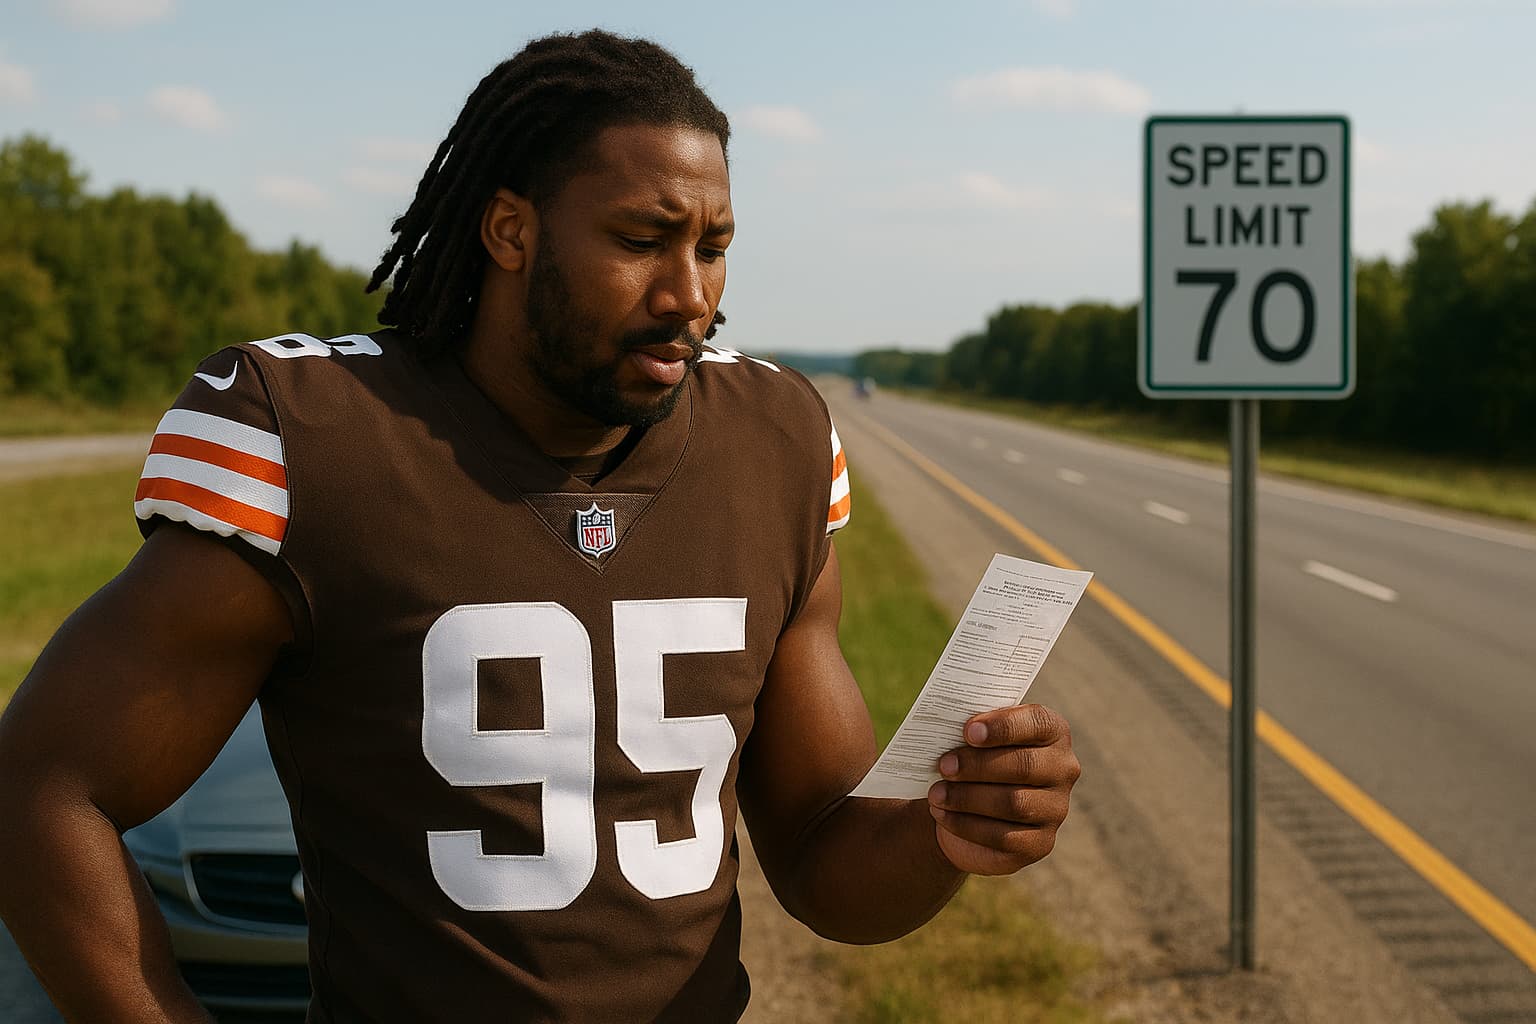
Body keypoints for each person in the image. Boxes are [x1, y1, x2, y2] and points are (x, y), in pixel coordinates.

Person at [0, 29, 1080, 1023]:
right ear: (509, 229)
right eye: (644, 239)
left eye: (712, 247)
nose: (690, 293)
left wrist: (950, 828)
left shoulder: (778, 441)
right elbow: (43, 788)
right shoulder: (317, 436)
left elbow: (826, 865)